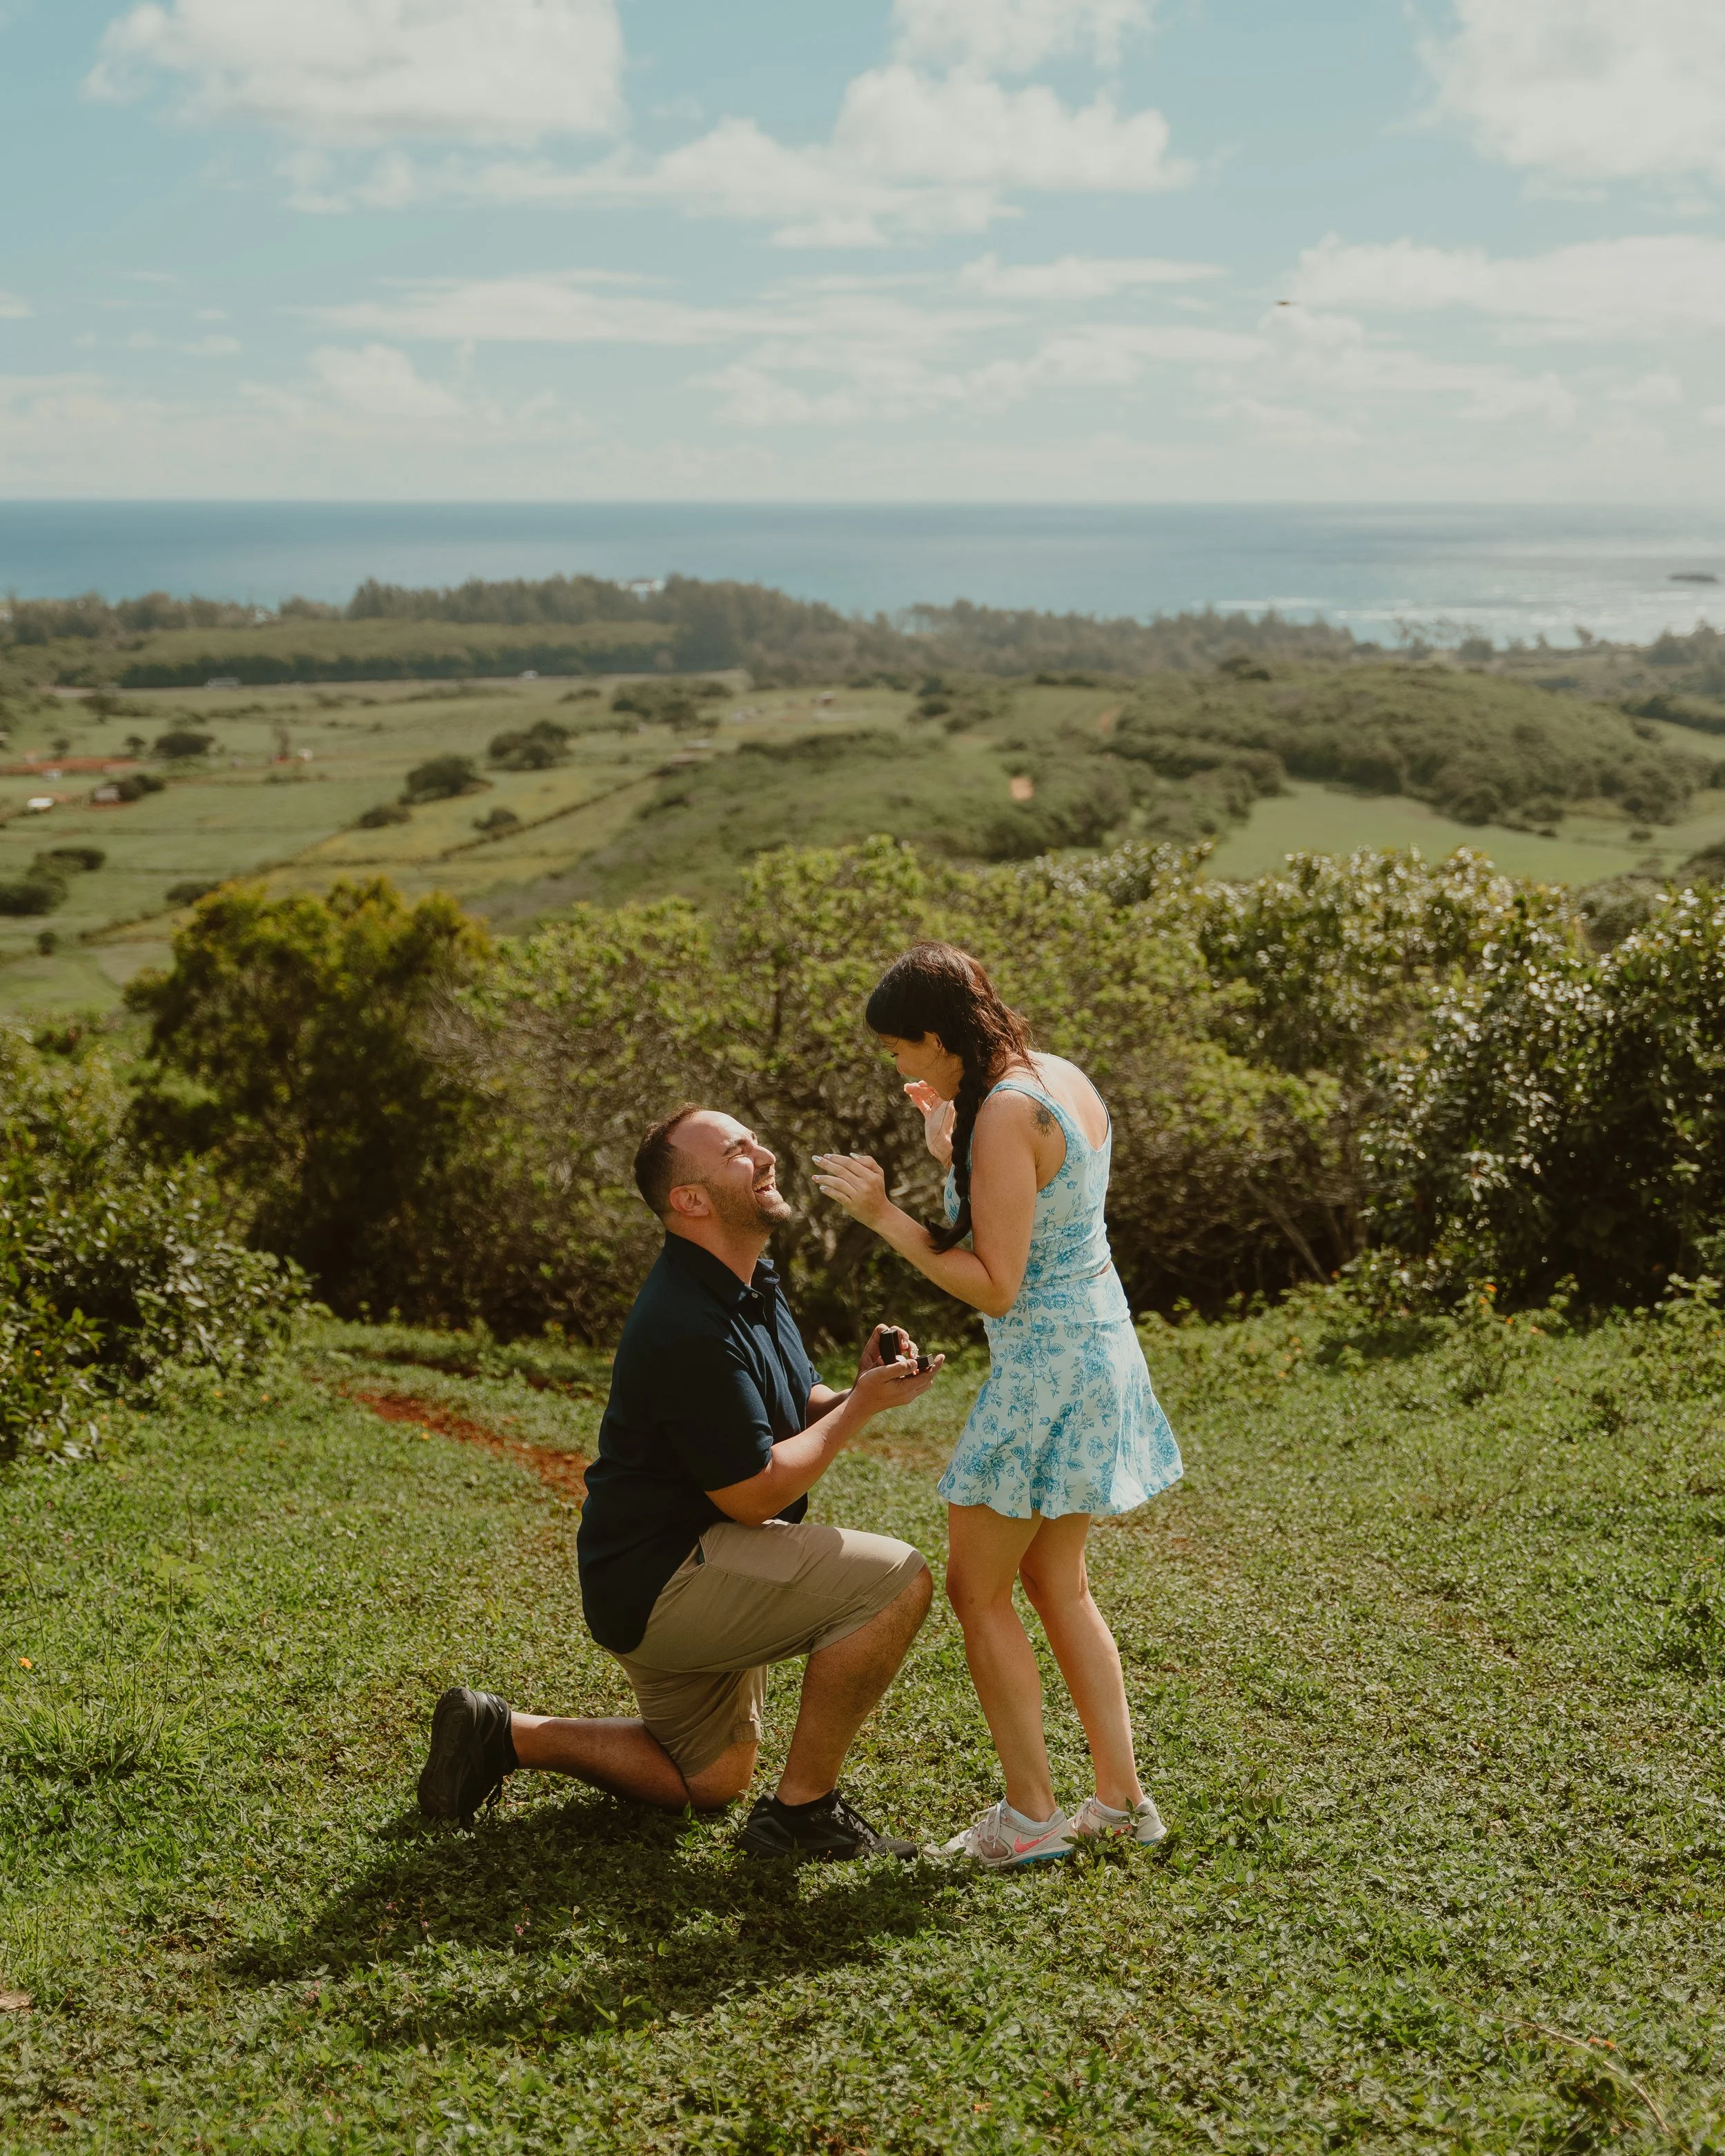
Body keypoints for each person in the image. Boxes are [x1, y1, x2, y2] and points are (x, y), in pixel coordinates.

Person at [417, 1104, 942, 1861]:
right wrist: (860, 1409)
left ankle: (503, 1733)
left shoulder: (748, 1275)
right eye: (737, 1150)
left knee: (709, 1779)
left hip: (666, 1566)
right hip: (669, 1577)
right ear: (690, 1200)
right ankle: (803, 1814)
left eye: (755, 1140)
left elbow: (795, 1405)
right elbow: (755, 1491)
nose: (764, 1153)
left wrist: (856, 1386)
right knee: (898, 1579)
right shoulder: (686, 1320)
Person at [812, 942, 1183, 1871]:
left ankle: (1028, 1818)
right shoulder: (1051, 1076)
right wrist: (952, 1148)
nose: (897, 1065)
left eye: (901, 1048)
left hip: (1043, 1371)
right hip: (1099, 1347)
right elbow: (1044, 1207)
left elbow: (999, 1283)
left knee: (980, 1591)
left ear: (939, 1037)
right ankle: (1122, 1802)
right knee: (1059, 1583)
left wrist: (886, 1215)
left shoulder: (1003, 1113)